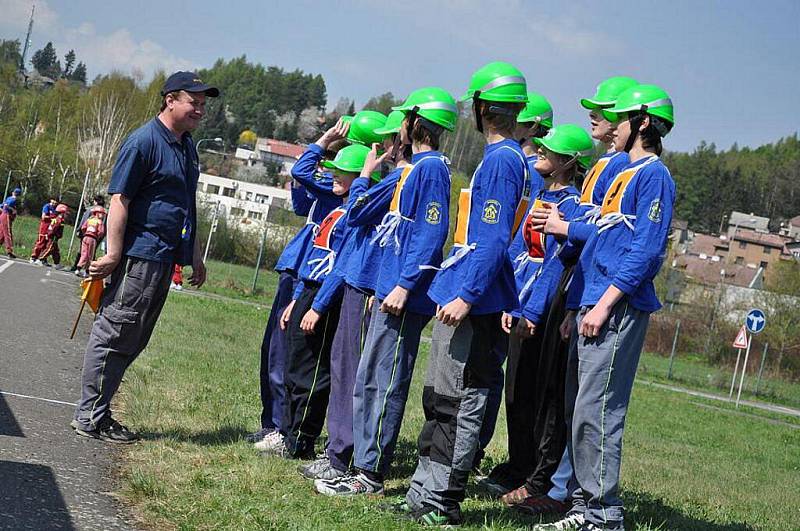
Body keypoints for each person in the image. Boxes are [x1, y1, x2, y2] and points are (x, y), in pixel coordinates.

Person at [533, 84, 676, 531]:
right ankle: (582, 507)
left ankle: (602, 514)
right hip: (592, 304)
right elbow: (599, 240)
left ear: (644, 123)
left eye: (620, 117)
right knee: (582, 410)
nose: (610, 125)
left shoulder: (654, 176)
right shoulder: (621, 175)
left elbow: (645, 252)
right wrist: (579, 307)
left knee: (598, 411)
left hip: (616, 308)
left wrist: (605, 304)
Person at [401, 62, 529, 526]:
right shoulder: (501, 158)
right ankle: (422, 490)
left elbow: (494, 241)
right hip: (465, 292)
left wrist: (467, 296)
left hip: (477, 303)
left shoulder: (501, 161)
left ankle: (442, 499)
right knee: (439, 396)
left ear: (479, 107)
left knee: (460, 402)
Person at [315, 87, 457, 495]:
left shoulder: (431, 169)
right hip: (388, 290)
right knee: (369, 379)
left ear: (415, 123)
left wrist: (404, 285)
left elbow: (431, 234)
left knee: (385, 380)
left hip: (401, 296)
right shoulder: (416, 170)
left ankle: (370, 475)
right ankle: (360, 466)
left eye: (404, 121)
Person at [71, 71, 218, 443]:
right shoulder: (143, 142)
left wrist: (194, 255)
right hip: (140, 254)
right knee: (116, 332)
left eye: (203, 104)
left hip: (164, 257)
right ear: (170, 100)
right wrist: (114, 251)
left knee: (134, 337)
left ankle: (99, 413)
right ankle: (89, 416)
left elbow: (185, 205)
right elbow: (119, 199)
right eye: (193, 102)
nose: (200, 110)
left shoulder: (186, 146)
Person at [497, 125, 592, 516]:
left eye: (548, 150)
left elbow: (554, 266)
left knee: (541, 397)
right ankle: (519, 466)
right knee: (515, 392)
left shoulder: (568, 206)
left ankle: (539, 477)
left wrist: (533, 311)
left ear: (567, 163)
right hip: (521, 302)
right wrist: (511, 301)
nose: (538, 151)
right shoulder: (538, 196)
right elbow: (520, 253)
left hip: (546, 308)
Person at [264, 138, 368, 460]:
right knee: (295, 365)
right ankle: (287, 432)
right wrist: (297, 299)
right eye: (335, 169)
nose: (335, 175)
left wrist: (320, 306)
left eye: (344, 172)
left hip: (326, 295)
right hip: (307, 290)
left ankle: (302, 440)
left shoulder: (354, 215)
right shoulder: (333, 209)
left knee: (313, 371)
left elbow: (339, 267)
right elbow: (313, 258)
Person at [252, 120, 350, 453]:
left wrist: (322, 144)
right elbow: (299, 194)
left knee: (287, 355)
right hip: (296, 266)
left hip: (308, 275)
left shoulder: (339, 190)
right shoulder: (328, 186)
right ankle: (272, 423)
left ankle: (283, 427)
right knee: (272, 350)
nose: (328, 170)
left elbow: (303, 169)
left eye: (335, 164)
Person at [477, 90, 553, 476]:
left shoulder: (525, 172)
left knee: (490, 374)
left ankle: (475, 452)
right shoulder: (519, 165)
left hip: (510, 283)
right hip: (503, 278)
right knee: (492, 374)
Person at [70, 195, 107, 272]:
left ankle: (77, 266)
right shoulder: (105, 212)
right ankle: (88, 269)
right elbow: (104, 226)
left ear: (95, 201)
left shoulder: (91, 209)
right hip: (97, 236)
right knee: (92, 252)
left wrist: (79, 230)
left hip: (86, 233)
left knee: (83, 250)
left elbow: (84, 220)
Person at [75, 207, 107, 277]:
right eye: (102, 214)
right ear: (97, 213)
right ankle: (86, 271)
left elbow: (83, 227)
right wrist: (97, 237)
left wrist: (84, 233)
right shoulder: (99, 222)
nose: (103, 216)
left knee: (84, 253)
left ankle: (78, 268)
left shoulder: (89, 220)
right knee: (90, 255)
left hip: (85, 237)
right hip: (92, 239)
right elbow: (101, 232)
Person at [30, 198, 58, 263]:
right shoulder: (47, 206)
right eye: (54, 201)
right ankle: (33, 257)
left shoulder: (55, 209)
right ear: (51, 200)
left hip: (50, 228)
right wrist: (52, 217)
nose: (55, 203)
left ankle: (43, 259)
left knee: (47, 244)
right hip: (44, 227)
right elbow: (43, 217)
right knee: (41, 242)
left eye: (56, 202)